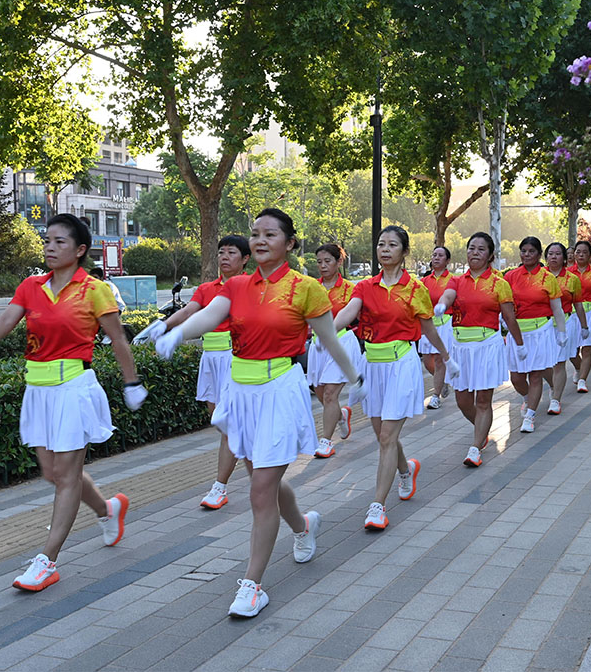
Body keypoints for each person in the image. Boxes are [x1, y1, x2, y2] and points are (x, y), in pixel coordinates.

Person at [153, 208, 364, 618]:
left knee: (260, 490)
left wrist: (355, 376)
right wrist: (176, 332)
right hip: (241, 390)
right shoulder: (234, 285)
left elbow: (328, 339)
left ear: (289, 243)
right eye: (255, 234)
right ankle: (303, 526)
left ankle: (252, 585)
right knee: (260, 479)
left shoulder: (306, 289)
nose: (260, 240)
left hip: (280, 388)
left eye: (271, 234)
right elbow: (210, 317)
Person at [0, 214, 147, 592]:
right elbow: (6, 321)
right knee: (54, 474)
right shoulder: (31, 286)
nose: (50, 247)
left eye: (60, 242)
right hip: (38, 391)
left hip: (74, 387)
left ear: (79, 250)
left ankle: (48, 561)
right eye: (47, 240)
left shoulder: (95, 290)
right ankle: (108, 509)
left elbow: (118, 339)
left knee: (67, 477)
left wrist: (132, 382)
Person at [333, 226, 457, 530]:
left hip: (401, 365)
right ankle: (405, 470)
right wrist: (325, 331)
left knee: (387, 437)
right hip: (373, 367)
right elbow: (349, 312)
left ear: (404, 252)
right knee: (383, 436)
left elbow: (428, 328)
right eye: (380, 244)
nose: (384, 249)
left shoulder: (415, 289)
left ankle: (377, 506)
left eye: (392, 245)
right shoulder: (364, 287)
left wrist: (447, 359)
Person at [134, 235, 250, 508]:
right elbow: (189, 312)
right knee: (222, 424)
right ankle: (246, 460)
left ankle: (219, 486)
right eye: (221, 251)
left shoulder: (249, 287)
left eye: (231, 252)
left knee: (230, 427)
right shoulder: (207, 288)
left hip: (236, 358)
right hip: (210, 359)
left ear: (245, 258)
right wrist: (163, 326)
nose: (224, 257)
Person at [434, 232, 523, 467]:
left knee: (483, 399)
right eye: (471, 248)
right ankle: (482, 431)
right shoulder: (457, 281)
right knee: (463, 399)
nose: (475, 252)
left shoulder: (499, 284)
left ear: (490, 255)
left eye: (481, 249)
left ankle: (475, 447)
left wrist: (519, 344)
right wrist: (443, 304)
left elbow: (509, 318)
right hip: (461, 346)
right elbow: (449, 294)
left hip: (487, 344)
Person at [503, 237, 566, 433]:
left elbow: (557, 309)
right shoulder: (511, 276)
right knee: (516, 377)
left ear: (539, 255)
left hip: (541, 331)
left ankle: (530, 415)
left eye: (531, 251)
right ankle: (527, 398)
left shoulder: (548, 279)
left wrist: (561, 332)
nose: (527, 255)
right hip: (517, 333)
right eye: (524, 251)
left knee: (535, 374)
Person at [307, 243, 361, 459]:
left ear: (339, 261)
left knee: (330, 395)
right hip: (317, 346)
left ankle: (326, 442)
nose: (322, 266)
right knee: (321, 393)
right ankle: (340, 416)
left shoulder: (350, 289)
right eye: (319, 262)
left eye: (327, 261)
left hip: (341, 344)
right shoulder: (311, 287)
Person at [542, 242, 587, 415]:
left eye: (557, 254)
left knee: (559, 363)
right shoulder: (539, 277)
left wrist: (584, 326)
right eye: (550, 254)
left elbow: (579, 305)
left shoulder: (572, 279)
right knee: (545, 364)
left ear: (565, 257)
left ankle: (555, 400)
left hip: (565, 324)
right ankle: (554, 385)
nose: (553, 257)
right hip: (543, 325)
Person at [419, 246, 455, 410]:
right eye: (434, 255)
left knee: (440, 359)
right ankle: (443, 381)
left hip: (446, 323)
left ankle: (435, 396)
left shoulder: (453, 281)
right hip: (429, 324)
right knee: (428, 361)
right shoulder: (425, 281)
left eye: (441, 255)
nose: (436, 258)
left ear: (447, 261)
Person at [567, 241, 591, 393]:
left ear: (590, 255)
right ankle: (578, 367)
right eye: (578, 252)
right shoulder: (568, 272)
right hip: (573, 315)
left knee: (587, 349)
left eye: (584, 252)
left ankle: (582, 380)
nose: (581, 255)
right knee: (572, 351)